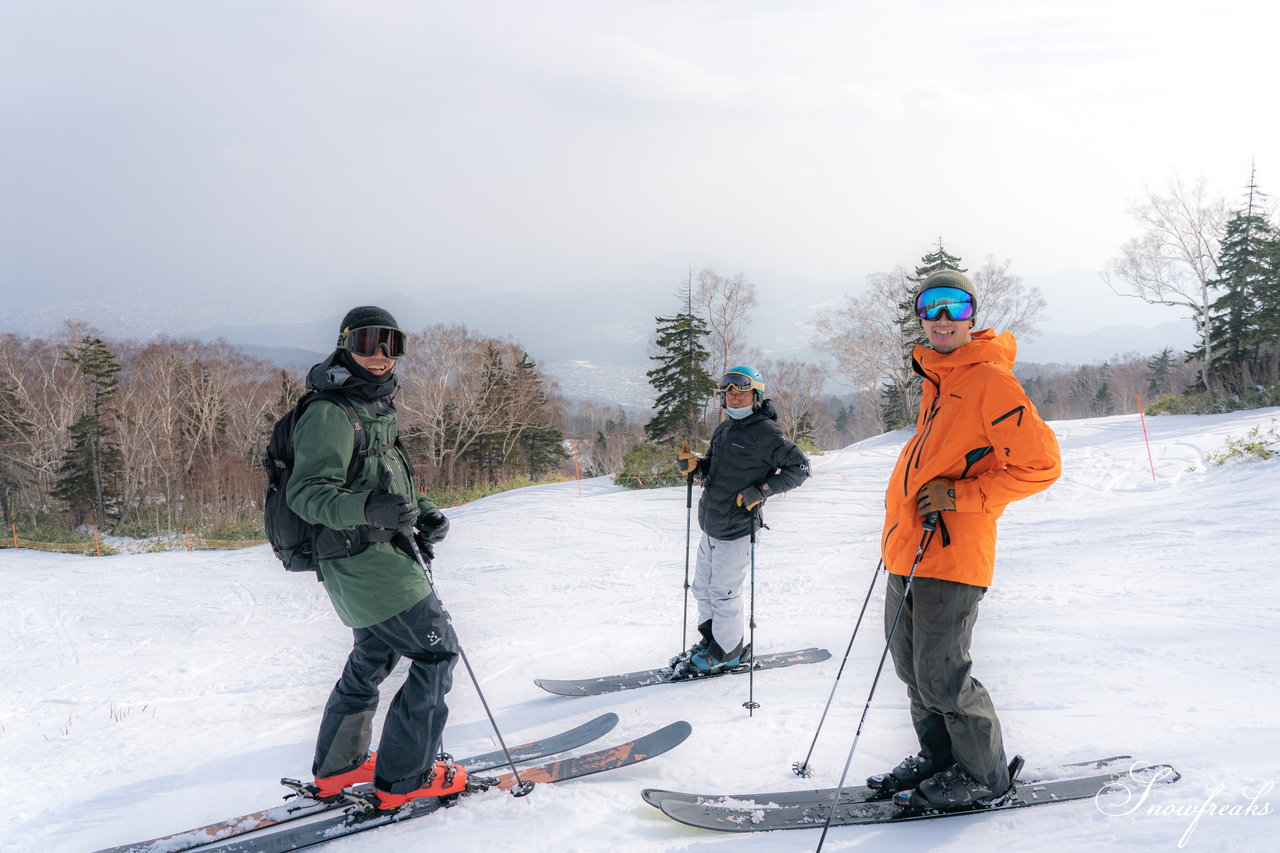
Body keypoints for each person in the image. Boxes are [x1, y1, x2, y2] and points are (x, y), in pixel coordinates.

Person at [873, 270, 1062, 808]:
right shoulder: (939, 378)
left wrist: (962, 498)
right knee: (914, 671)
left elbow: (1041, 466)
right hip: (909, 550)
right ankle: (941, 758)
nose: (941, 318)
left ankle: (985, 776)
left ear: (972, 315)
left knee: (943, 676)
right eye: (931, 306)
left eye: (954, 306)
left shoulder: (989, 381)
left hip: (952, 555)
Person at [286, 306, 462, 811]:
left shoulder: (372, 405)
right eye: (368, 344)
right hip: (366, 560)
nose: (381, 356)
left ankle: (339, 771)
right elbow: (308, 494)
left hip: (371, 556)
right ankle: (404, 780)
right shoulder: (330, 412)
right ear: (346, 345)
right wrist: (365, 509)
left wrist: (425, 512)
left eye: (391, 344)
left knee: (373, 656)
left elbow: (386, 477)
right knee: (436, 654)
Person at [673, 365, 810, 673]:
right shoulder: (725, 428)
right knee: (702, 588)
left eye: (742, 393)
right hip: (711, 523)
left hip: (736, 528)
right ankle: (711, 641)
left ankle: (728, 651)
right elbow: (718, 470)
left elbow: (800, 468)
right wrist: (696, 466)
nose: (734, 399)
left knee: (724, 593)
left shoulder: (766, 434)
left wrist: (760, 491)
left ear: (756, 397)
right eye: (729, 393)